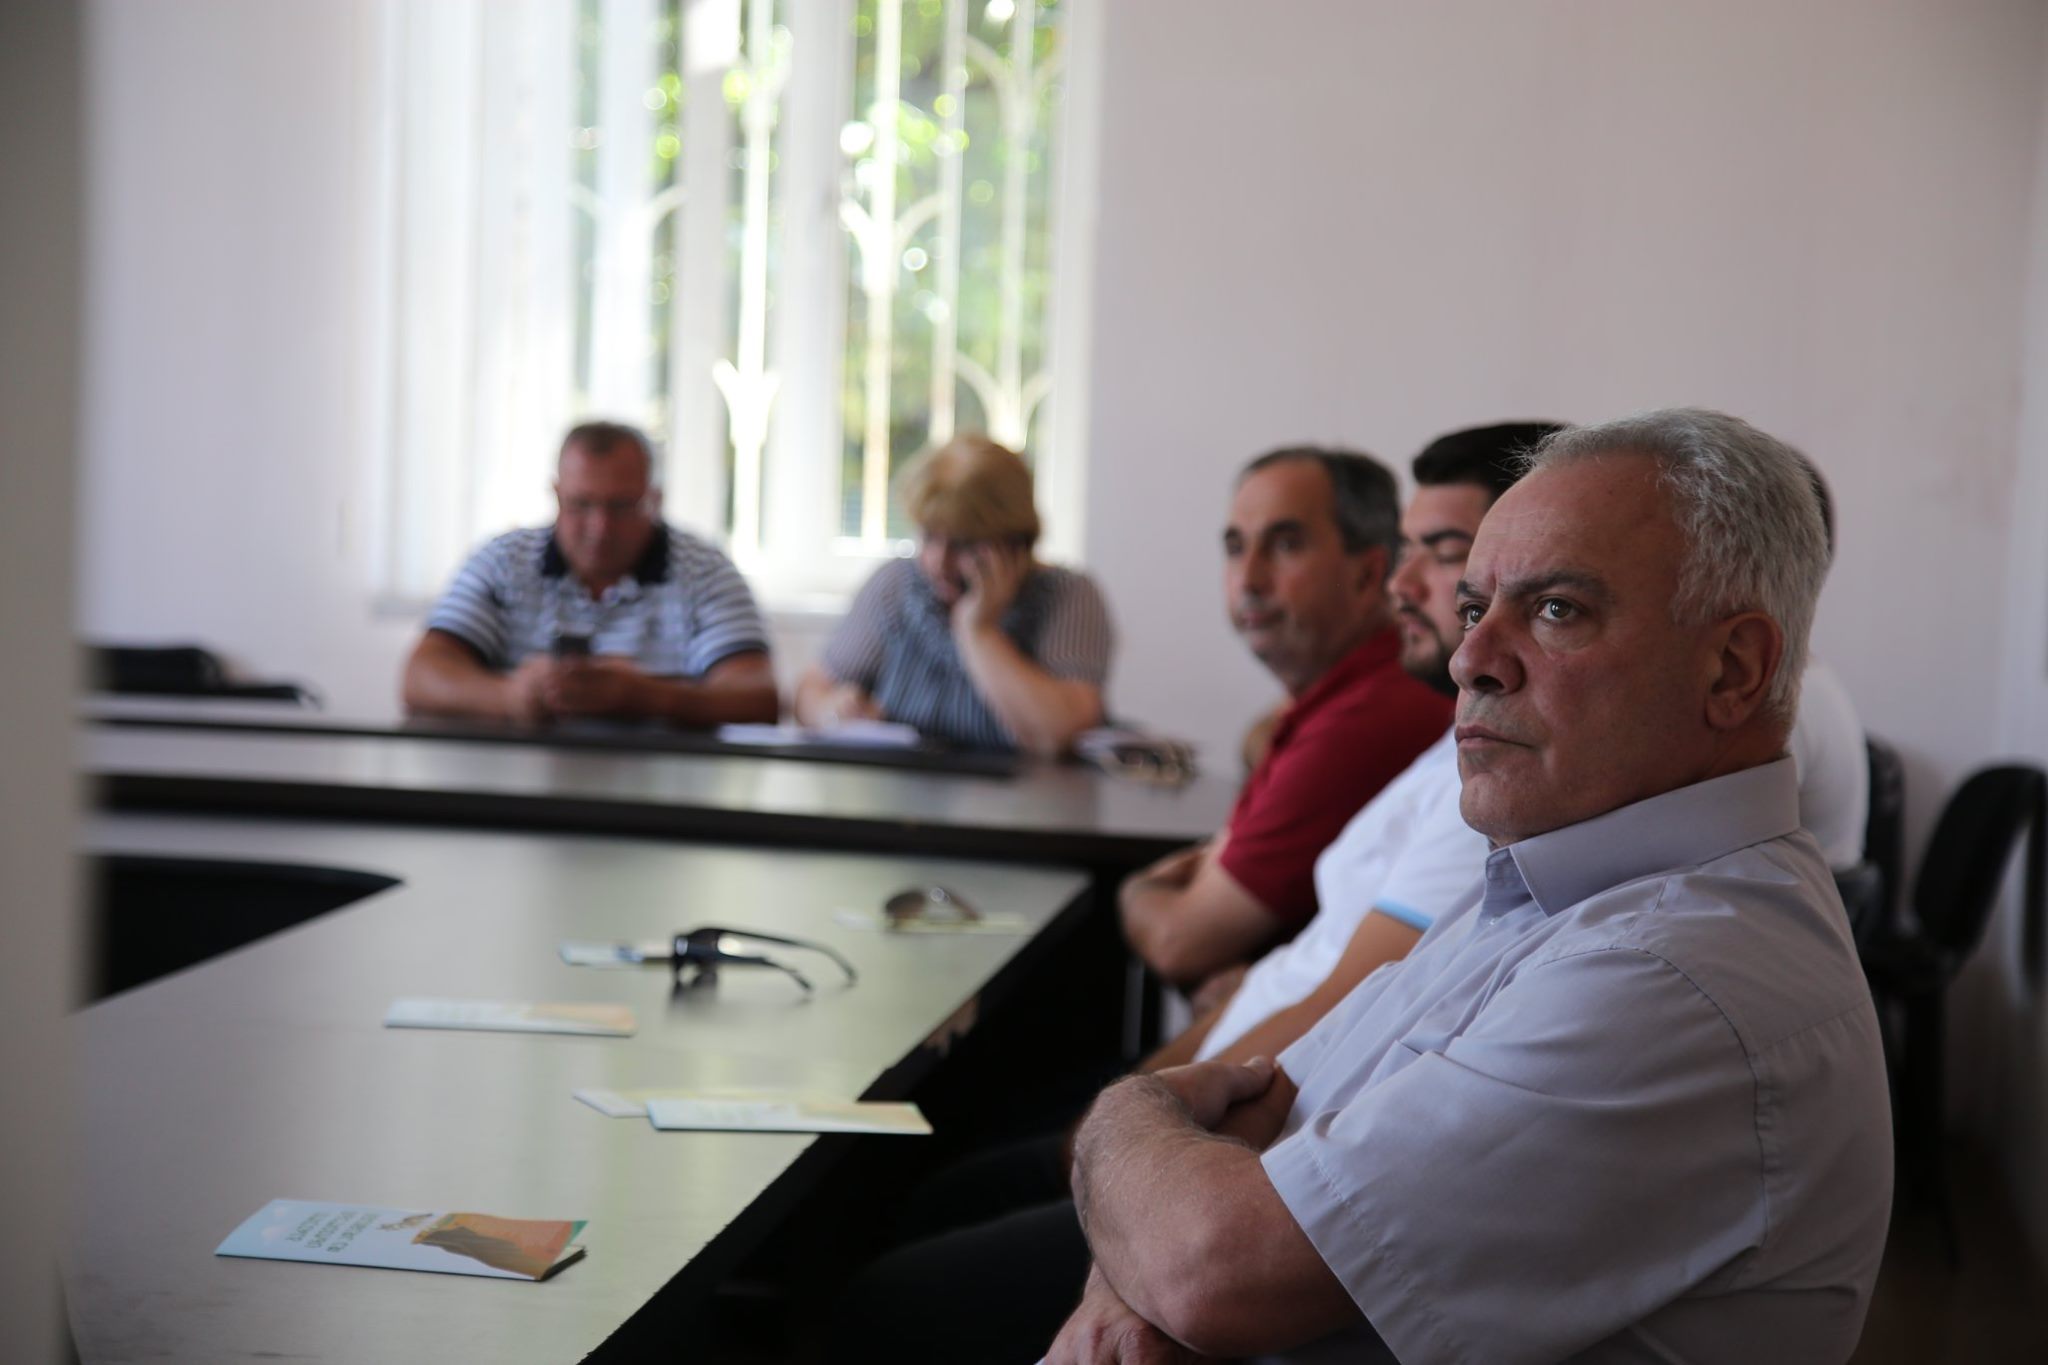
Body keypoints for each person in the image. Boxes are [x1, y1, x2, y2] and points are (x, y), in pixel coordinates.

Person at [1048, 409, 1891, 1365]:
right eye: (1474, 608)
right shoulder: (1551, 874)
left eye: (1557, 609)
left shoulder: (1673, 976)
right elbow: (1257, 1114)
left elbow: (1212, 1265)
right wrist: (1139, 1244)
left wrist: (1124, 1117)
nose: (1469, 659)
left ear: (1732, 669)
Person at [828, 426, 1555, 1365]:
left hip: (1232, 1147)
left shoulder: (1450, 768)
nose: (1411, 585)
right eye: (1234, 545)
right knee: (933, 1168)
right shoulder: (1409, 739)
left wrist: (1130, 1131)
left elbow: (1217, 954)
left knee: (893, 1265)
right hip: (1208, 1112)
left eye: (1446, 556)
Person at [1118, 446, 1452, 989]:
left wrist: (1138, 892)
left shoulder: (1362, 721)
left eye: (1285, 544)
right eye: (1235, 547)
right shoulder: (1345, 694)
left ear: (1369, 574)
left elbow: (1178, 942)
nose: (1249, 578)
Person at [401, 421, 777, 726]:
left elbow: (759, 698)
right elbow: (420, 676)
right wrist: (510, 696)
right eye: (581, 505)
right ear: (556, 495)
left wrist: (648, 698)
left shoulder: (705, 573)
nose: (600, 528)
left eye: (621, 506)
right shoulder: (502, 562)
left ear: (655, 499)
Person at [793, 434, 1112, 756]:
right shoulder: (898, 586)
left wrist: (979, 632)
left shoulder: (1066, 597)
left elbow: (1058, 734)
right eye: (930, 537)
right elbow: (810, 693)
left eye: (962, 544)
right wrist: (832, 711)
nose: (939, 563)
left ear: (1015, 544)